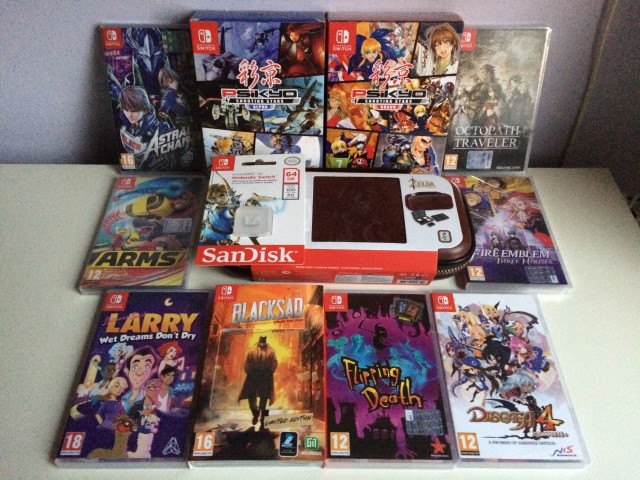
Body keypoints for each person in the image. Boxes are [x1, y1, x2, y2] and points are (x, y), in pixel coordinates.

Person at [238, 336, 278, 428]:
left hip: (265, 376)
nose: (262, 344)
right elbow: (247, 362)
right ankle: (255, 413)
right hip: (253, 376)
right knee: (251, 397)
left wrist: (270, 371)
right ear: (259, 342)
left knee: (264, 398)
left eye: (263, 343)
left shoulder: (271, 351)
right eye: (261, 342)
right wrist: (249, 371)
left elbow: (275, 362)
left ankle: (263, 417)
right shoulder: (251, 350)